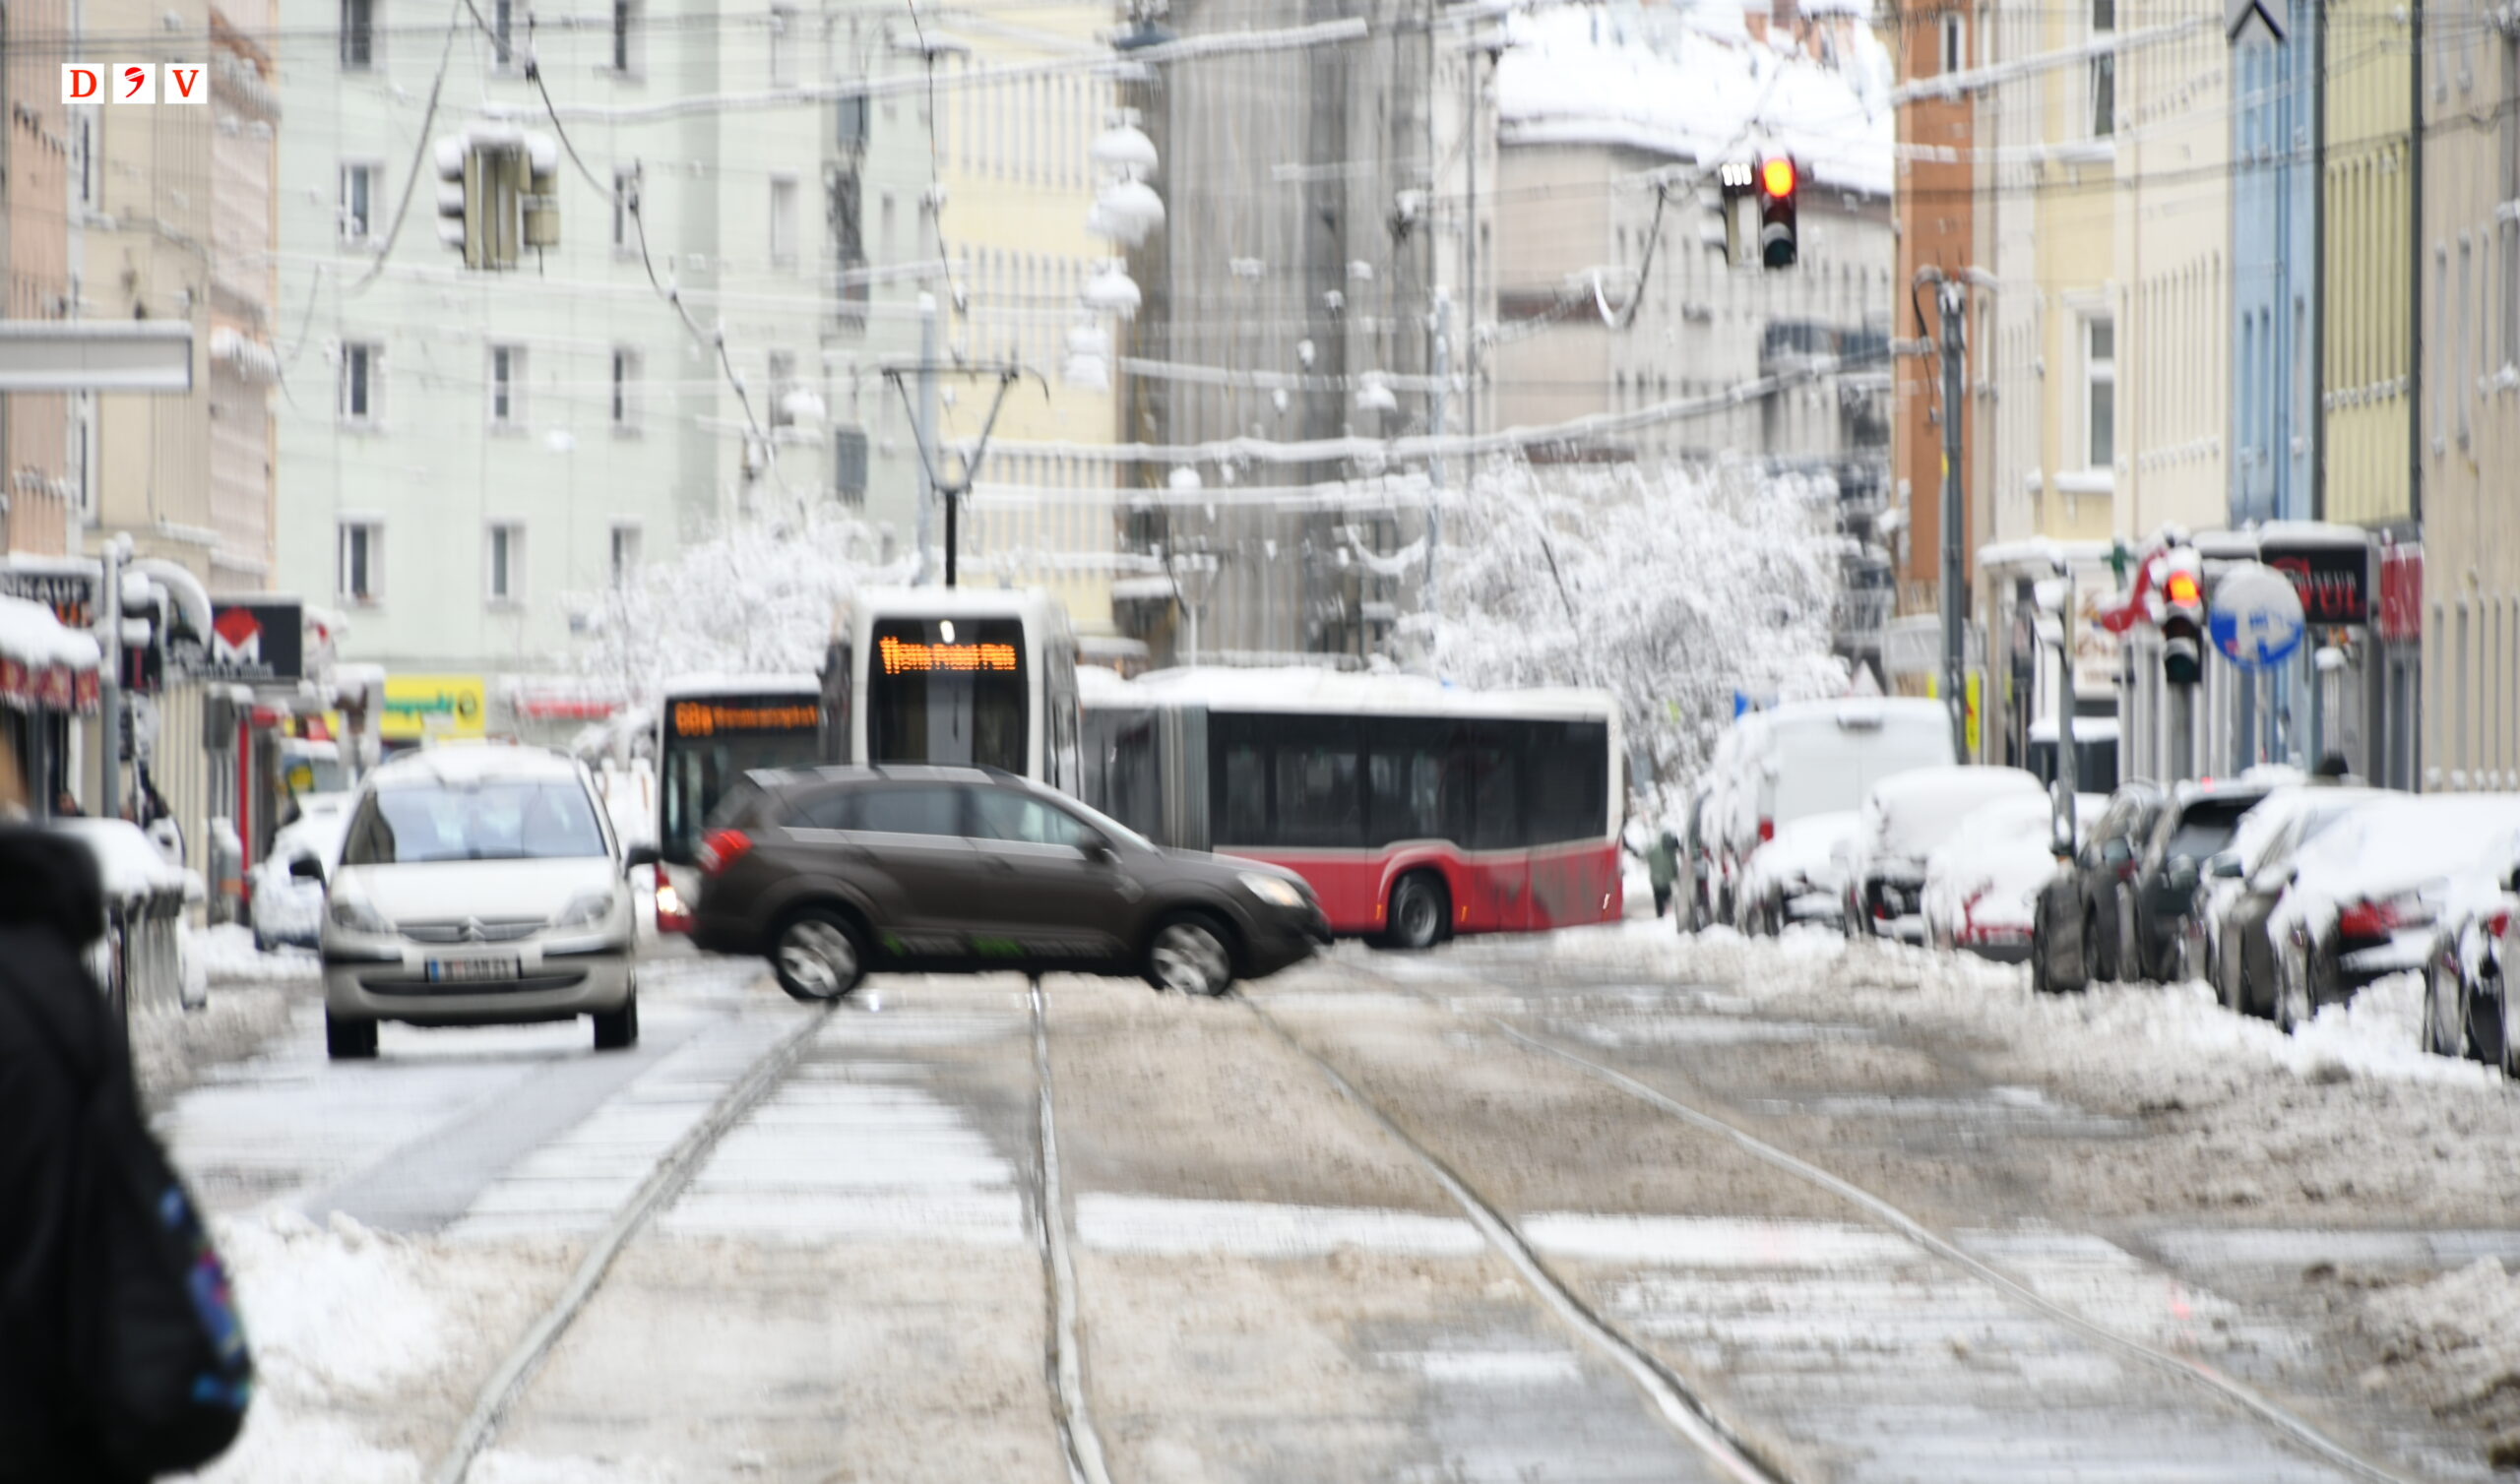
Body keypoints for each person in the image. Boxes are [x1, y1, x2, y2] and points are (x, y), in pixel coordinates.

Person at [1647, 830, 1679, 918]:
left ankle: (1660, 915)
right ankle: (1665, 917)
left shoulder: (1655, 849)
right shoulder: (1669, 852)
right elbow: (1673, 865)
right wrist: (1676, 876)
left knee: (1658, 899)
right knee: (1666, 898)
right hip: (1665, 881)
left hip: (1655, 880)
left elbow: (1649, 859)